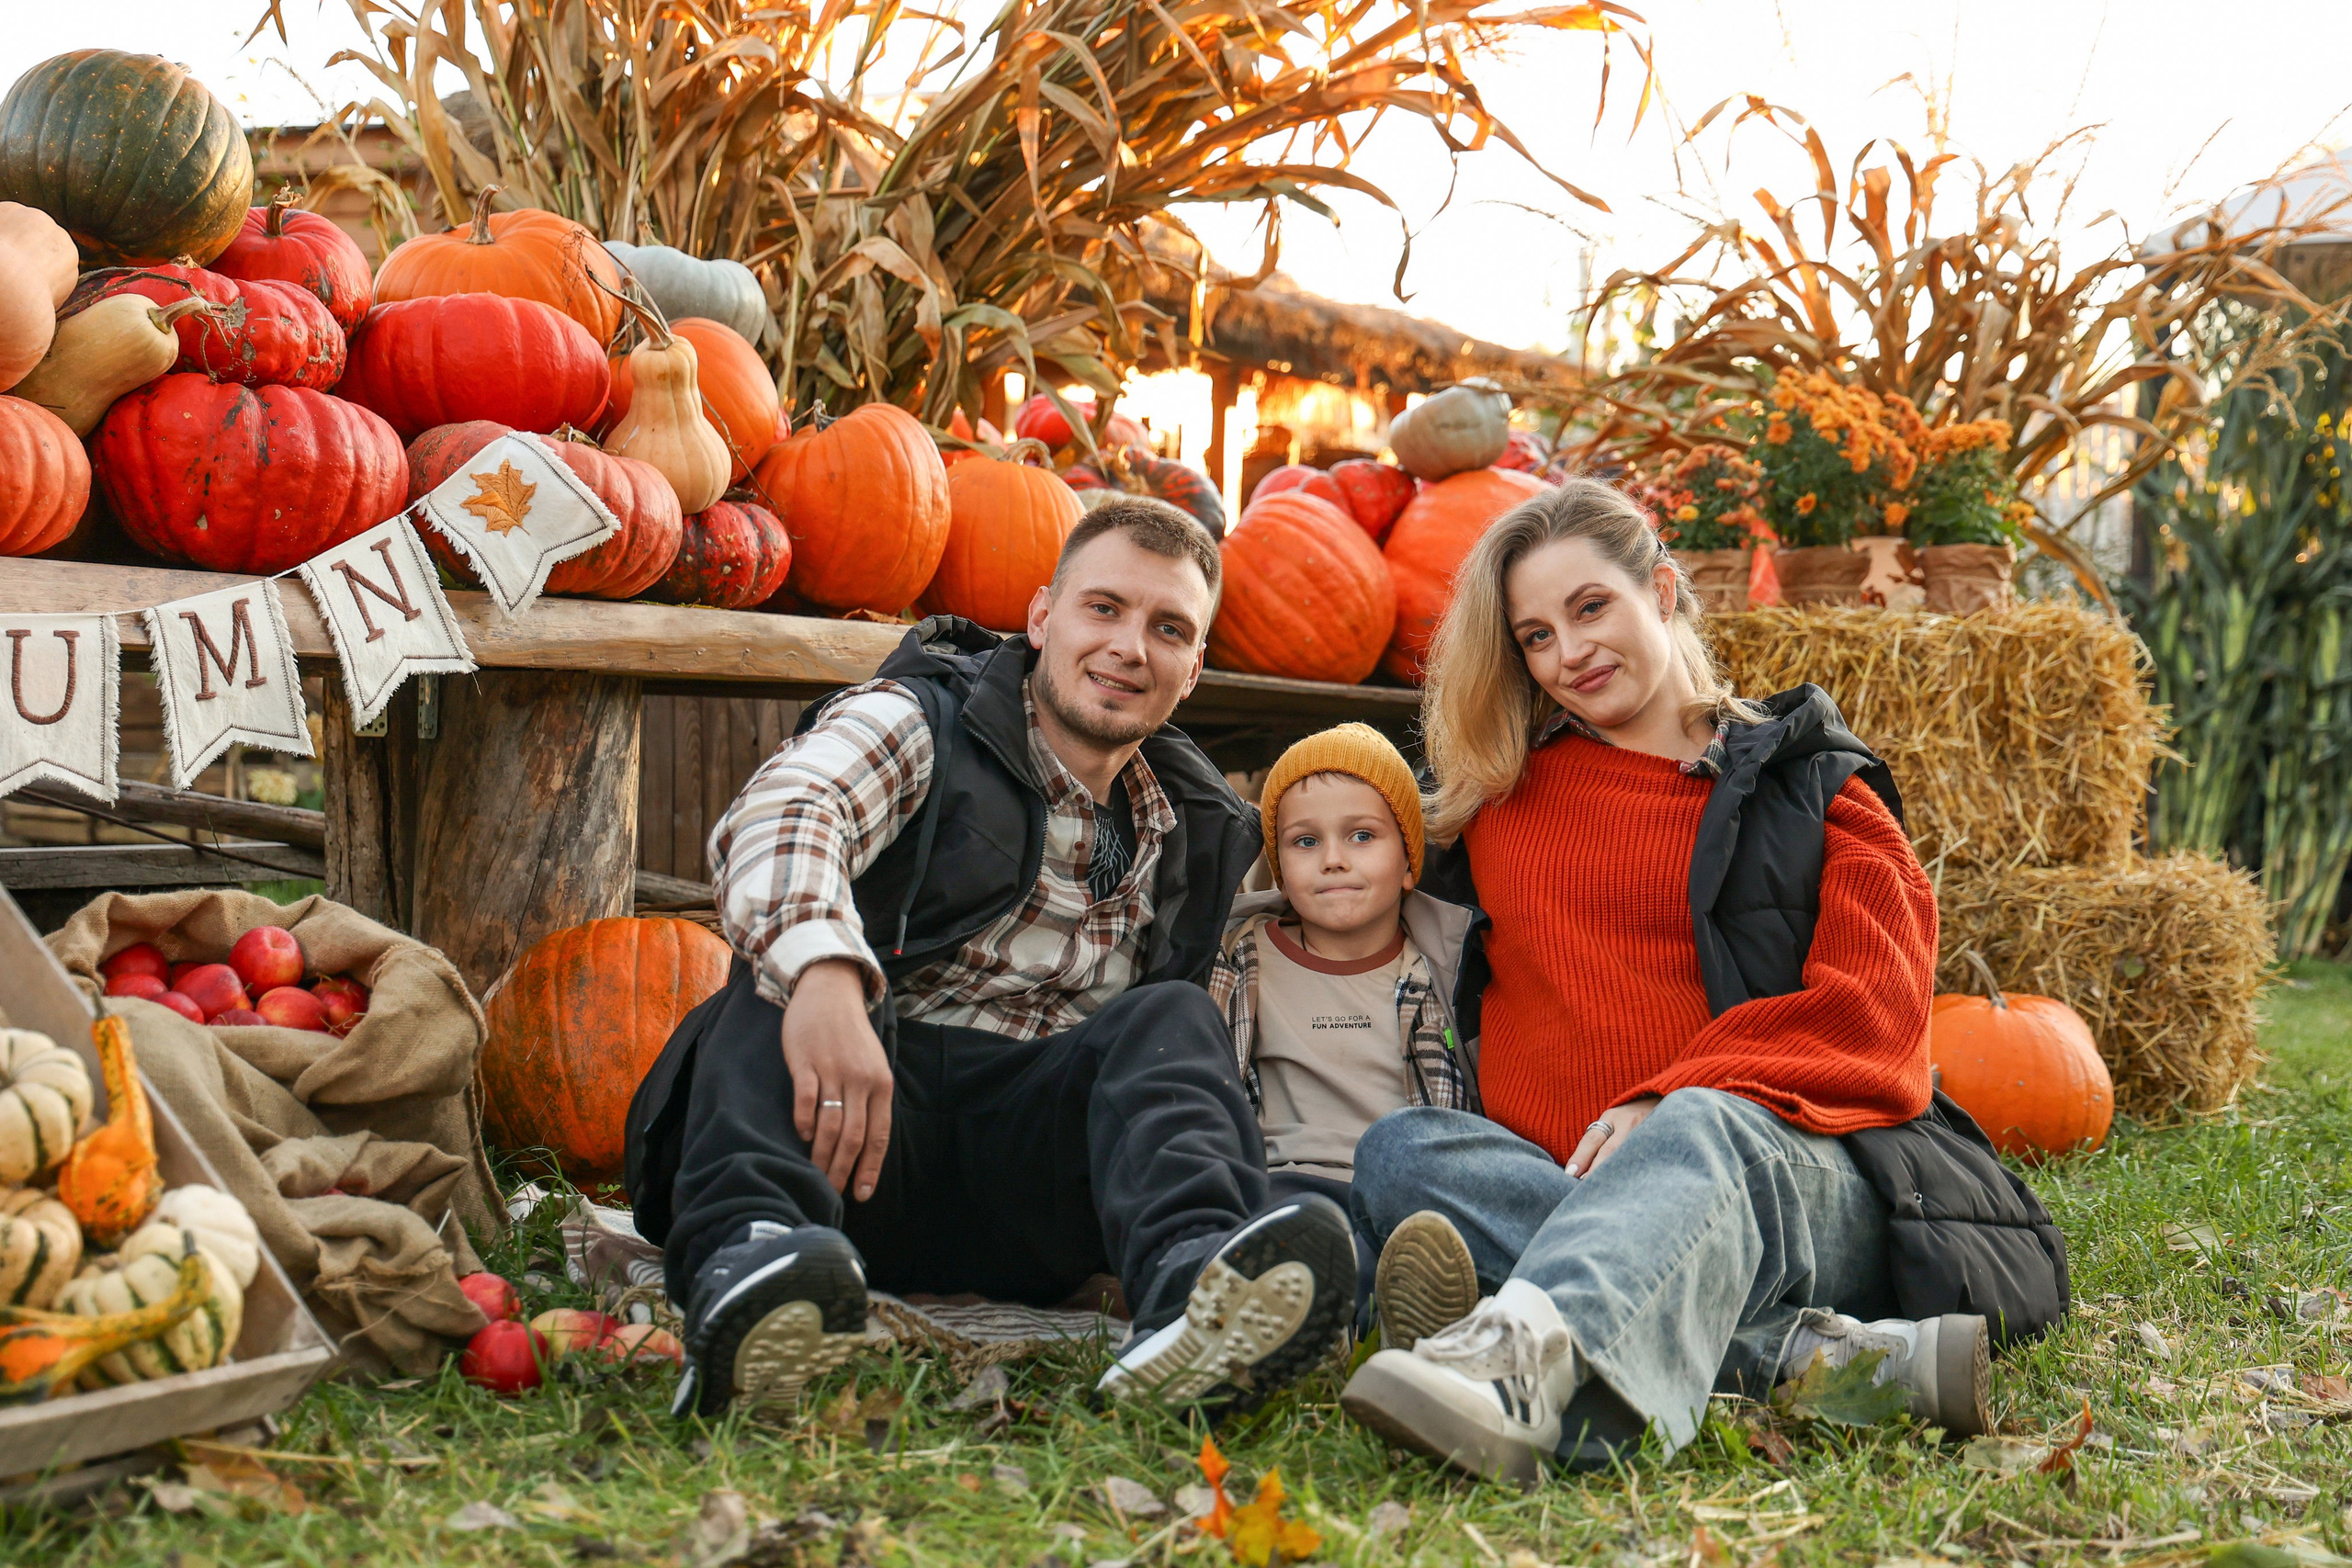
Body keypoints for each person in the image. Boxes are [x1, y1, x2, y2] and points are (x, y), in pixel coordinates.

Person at [1338, 478, 2064, 1484]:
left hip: (1796, 1178)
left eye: (1590, 608)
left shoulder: (1815, 788)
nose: (1570, 653)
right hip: (1568, 1190)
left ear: (1663, 593)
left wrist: (1673, 1091)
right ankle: (1814, 1364)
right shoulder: (1498, 806)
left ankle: (1512, 1361)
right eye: (1535, 636)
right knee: (1403, 1152)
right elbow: (1347, 869)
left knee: (1703, 1127)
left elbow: (1878, 1020)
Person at [624, 498, 1356, 1422]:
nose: (1130, 647)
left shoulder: (1192, 826)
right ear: (1043, 617)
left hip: (1021, 1186)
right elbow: (790, 809)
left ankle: (1192, 1301)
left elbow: (1166, 1091)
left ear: (1194, 667)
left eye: (1167, 628)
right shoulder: (922, 718)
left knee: (1172, 1022)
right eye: (1104, 609)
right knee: (775, 974)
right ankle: (758, 1272)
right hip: (851, 1133)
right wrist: (825, 973)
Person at [1207, 724, 1487, 1319]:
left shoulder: (1439, 970)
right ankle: (1333, 1316)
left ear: (1410, 862)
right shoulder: (1242, 959)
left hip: (1399, 1193)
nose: (1333, 859)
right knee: (1285, 1244)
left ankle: (1381, 1317)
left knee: (1412, 1252)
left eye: (1362, 835)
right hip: (1278, 1183)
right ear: (1278, 865)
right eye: (1304, 841)